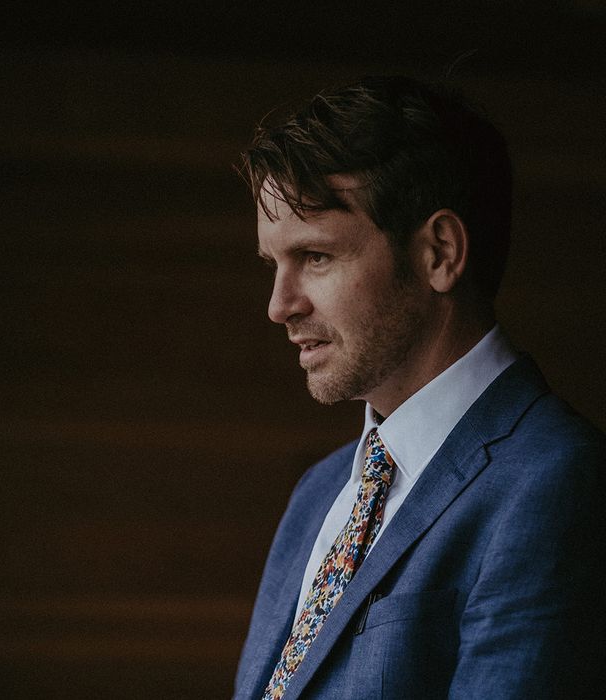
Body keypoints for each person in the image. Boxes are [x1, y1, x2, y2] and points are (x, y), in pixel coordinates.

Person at [233, 76, 605, 699]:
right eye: (275, 265)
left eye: (316, 257)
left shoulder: (558, 481)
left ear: (439, 251)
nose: (279, 306)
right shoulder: (321, 491)